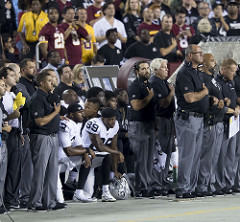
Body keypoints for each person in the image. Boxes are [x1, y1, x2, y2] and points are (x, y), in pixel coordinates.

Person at [28, 70, 66, 211]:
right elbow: (39, 122)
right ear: (42, 83)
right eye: (50, 81)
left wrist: (59, 116)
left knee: (52, 171)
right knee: (40, 171)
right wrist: (56, 113)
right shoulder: (38, 97)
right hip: (41, 136)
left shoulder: (49, 96)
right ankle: (34, 203)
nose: (53, 83)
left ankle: (49, 201)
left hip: (52, 136)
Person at [174, 44, 209, 199]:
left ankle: (191, 187)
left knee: (195, 155)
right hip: (188, 118)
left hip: (198, 118)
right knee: (187, 155)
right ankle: (182, 188)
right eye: (198, 53)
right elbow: (190, 98)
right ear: (189, 56)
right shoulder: (184, 73)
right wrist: (204, 92)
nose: (201, 55)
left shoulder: (196, 72)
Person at [195, 54, 225, 197]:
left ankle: (210, 183)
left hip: (218, 120)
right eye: (212, 60)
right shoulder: (202, 78)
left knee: (214, 156)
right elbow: (200, 98)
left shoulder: (213, 79)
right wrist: (212, 100)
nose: (215, 62)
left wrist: (222, 100)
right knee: (206, 156)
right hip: (209, 121)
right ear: (204, 64)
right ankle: (202, 185)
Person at [81, 107, 124, 202]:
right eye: (109, 120)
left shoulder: (115, 125)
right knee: (87, 194)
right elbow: (100, 146)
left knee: (107, 155)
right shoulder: (94, 123)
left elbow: (113, 147)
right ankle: (76, 190)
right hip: (83, 156)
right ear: (102, 119)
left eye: (113, 119)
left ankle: (105, 191)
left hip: (96, 157)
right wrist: (118, 152)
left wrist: (115, 170)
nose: (112, 122)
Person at [128, 60, 157, 198]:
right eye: (143, 69)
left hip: (149, 124)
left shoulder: (150, 85)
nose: (146, 71)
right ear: (136, 72)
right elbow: (136, 106)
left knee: (149, 158)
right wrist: (149, 97)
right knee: (142, 158)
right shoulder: (135, 86)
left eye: (148, 68)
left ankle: (148, 185)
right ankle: (141, 188)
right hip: (138, 125)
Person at [149, 58, 176, 194]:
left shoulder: (164, 82)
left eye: (166, 67)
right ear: (155, 70)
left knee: (167, 152)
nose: (167, 70)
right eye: (164, 67)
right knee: (160, 153)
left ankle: (163, 182)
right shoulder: (155, 83)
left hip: (168, 120)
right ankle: (156, 184)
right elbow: (163, 103)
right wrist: (171, 93)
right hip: (159, 120)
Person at [214, 58, 239, 195]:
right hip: (223, 122)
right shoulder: (216, 83)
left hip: (233, 123)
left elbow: (234, 100)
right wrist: (232, 110)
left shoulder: (231, 82)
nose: (234, 74)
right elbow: (220, 106)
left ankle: (229, 183)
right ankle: (219, 184)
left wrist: (237, 107)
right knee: (221, 156)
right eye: (232, 71)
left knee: (232, 155)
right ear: (223, 69)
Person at [0, 79, 12, 214]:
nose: (5, 88)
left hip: (3, 141)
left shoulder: (1, 103)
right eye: (2, 86)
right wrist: (4, 128)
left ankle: (0, 202)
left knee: (2, 176)